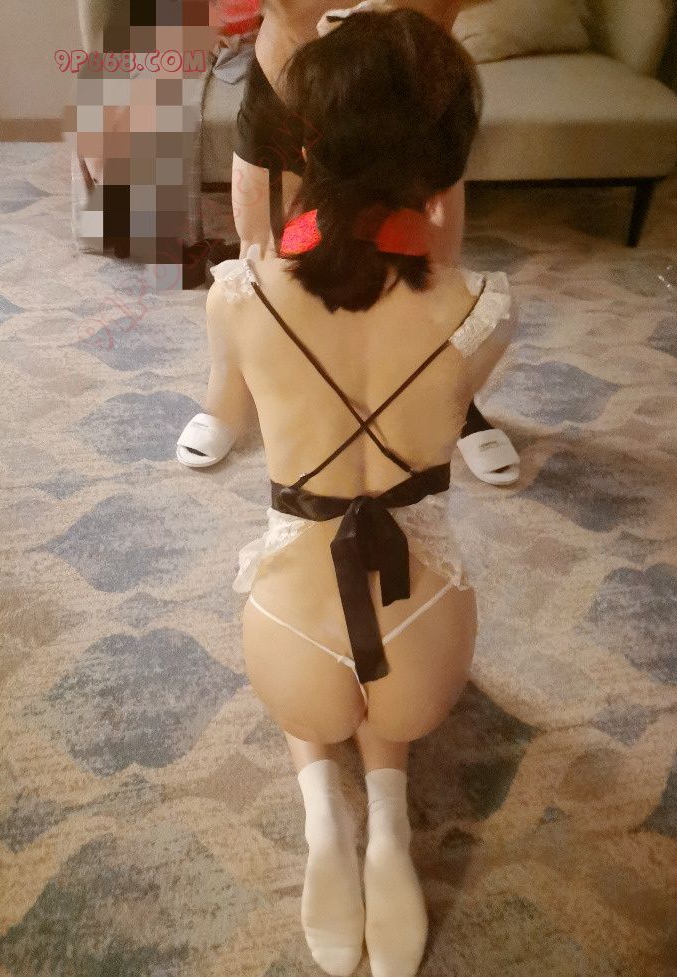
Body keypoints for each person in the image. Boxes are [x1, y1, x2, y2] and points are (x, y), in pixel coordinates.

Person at [193, 10, 516, 975]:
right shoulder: (484, 310)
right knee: (390, 699)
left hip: (290, 635)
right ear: (447, 164)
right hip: (427, 640)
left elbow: (229, 414)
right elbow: (431, 280)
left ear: (307, 148)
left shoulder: (239, 294)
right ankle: (387, 828)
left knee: (317, 693)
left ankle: (324, 829)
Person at [176, 0, 521, 484]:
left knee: (432, 266)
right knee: (266, 264)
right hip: (294, 89)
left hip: (419, 101)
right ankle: (229, 397)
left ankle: (452, 398)